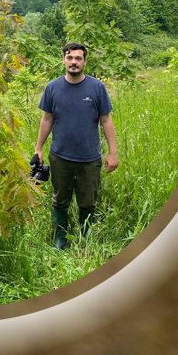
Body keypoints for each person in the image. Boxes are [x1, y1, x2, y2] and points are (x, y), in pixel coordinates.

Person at [35, 42, 120, 249]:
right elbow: (47, 120)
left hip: (89, 158)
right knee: (59, 200)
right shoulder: (52, 87)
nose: (74, 62)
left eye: (78, 58)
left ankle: (85, 236)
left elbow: (106, 120)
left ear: (85, 61)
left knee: (88, 202)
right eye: (70, 57)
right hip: (60, 156)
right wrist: (38, 149)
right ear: (64, 60)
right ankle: (60, 238)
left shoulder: (97, 88)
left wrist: (113, 153)